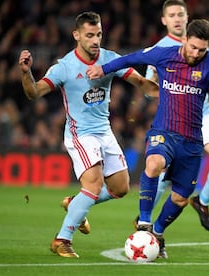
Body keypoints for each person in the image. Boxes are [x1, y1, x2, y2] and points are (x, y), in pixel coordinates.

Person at [86, 18, 209, 259]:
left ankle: (158, 232)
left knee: (181, 199)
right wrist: (103, 69)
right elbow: (131, 59)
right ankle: (144, 223)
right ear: (185, 40)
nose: (196, 53)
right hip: (164, 131)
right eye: (193, 47)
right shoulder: (163, 54)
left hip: (192, 141)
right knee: (154, 164)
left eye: (201, 50)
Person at [18, 11, 159, 258]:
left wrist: (164, 85)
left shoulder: (109, 59)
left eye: (99, 35)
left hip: (104, 131)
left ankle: (75, 204)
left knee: (121, 188)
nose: (96, 40)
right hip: (80, 133)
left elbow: (142, 85)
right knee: (93, 184)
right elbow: (34, 92)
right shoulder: (65, 67)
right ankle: (62, 239)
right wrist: (25, 73)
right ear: (77, 35)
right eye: (90, 35)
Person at [140, 0, 209, 232]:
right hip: (173, 120)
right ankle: (146, 224)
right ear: (164, 20)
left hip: (203, 116)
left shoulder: (200, 45)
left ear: (187, 18)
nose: (177, 18)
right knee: (161, 175)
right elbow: (149, 90)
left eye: (181, 14)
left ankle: (202, 201)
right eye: (172, 15)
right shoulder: (160, 49)